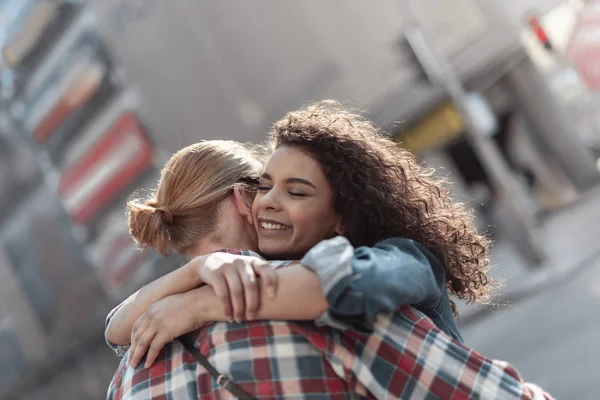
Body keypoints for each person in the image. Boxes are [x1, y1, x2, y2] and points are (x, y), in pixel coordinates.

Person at [106, 103, 551, 399]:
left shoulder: (129, 374)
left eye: (296, 191)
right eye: (264, 186)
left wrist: (200, 297)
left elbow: (115, 327)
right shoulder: (326, 319)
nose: (272, 202)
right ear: (244, 200)